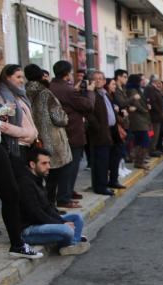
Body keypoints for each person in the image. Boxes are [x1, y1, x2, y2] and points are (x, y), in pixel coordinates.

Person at [0, 45, 43, 259]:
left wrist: (1, 116)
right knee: (12, 192)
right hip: (5, 143)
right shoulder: (3, 90)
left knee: (11, 193)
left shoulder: (1, 90)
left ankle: (17, 244)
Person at [18, 148, 90, 256]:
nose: (48, 166)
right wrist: (61, 224)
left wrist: (61, 221)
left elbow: (47, 207)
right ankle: (72, 242)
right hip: (29, 230)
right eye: (44, 163)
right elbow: (36, 213)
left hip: (41, 223)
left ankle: (70, 244)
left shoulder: (38, 178)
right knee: (67, 230)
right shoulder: (25, 183)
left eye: (48, 163)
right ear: (32, 164)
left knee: (77, 218)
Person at [24, 64, 72, 206]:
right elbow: (59, 118)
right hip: (51, 140)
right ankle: (50, 207)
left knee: (38, 177)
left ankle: (44, 206)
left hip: (34, 140)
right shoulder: (45, 93)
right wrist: (65, 116)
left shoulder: (24, 92)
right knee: (52, 177)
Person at [49, 60, 95, 208]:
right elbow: (88, 106)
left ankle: (62, 195)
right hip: (72, 132)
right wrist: (90, 92)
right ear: (67, 73)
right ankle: (64, 197)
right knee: (70, 167)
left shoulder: (50, 87)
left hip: (57, 132)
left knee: (58, 168)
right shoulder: (67, 90)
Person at [0, 64, 38, 163]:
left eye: (22, 77)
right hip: (17, 147)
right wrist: (25, 133)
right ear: (7, 78)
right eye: (18, 77)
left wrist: (34, 133)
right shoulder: (3, 96)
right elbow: (1, 124)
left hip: (28, 145)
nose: (22, 81)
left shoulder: (19, 95)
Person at [84, 71, 115, 196]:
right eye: (95, 78)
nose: (98, 81)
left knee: (105, 160)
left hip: (108, 131)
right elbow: (88, 112)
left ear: (104, 81)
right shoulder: (91, 94)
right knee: (100, 161)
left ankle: (104, 183)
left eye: (101, 78)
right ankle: (100, 186)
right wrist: (96, 126)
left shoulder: (104, 94)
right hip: (98, 133)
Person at [125, 74, 151, 169]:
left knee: (139, 141)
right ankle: (138, 161)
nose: (142, 82)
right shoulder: (132, 90)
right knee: (144, 140)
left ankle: (138, 159)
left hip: (141, 118)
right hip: (137, 119)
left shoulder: (137, 89)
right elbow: (136, 104)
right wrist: (145, 110)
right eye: (140, 80)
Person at [105, 78, 127, 189]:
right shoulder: (105, 96)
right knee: (111, 156)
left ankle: (114, 179)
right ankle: (111, 180)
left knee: (116, 155)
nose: (115, 86)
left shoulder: (111, 96)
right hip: (109, 131)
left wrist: (120, 112)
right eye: (113, 84)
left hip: (115, 129)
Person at [144, 76, 163, 157]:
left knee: (155, 133)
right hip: (154, 116)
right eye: (158, 81)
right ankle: (151, 149)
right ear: (155, 81)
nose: (159, 83)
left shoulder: (153, 88)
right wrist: (160, 112)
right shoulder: (150, 88)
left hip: (157, 116)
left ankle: (153, 148)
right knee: (153, 134)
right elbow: (152, 102)